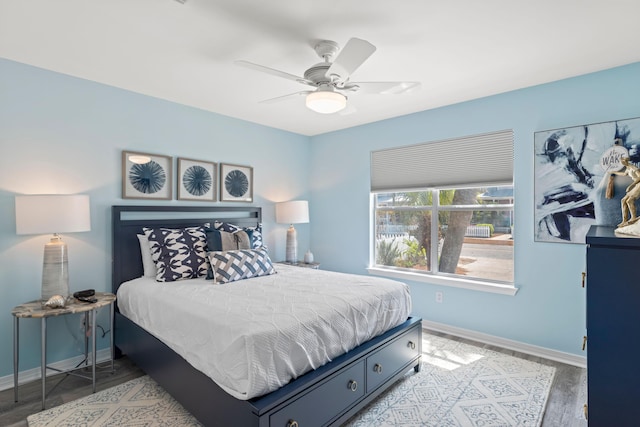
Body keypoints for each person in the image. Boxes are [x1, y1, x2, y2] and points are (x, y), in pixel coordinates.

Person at [610, 157, 640, 227]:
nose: (622, 163)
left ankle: (633, 217)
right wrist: (614, 172)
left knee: (629, 200)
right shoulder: (628, 168)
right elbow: (624, 174)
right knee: (623, 200)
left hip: (638, 185)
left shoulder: (633, 167)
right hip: (636, 185)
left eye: (623, 162)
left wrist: (631, 186)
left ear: (626, 161)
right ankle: (624, 220)